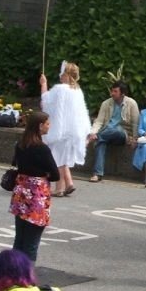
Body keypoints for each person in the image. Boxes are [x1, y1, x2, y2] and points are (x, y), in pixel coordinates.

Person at [9, 112, 59, 262]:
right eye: (47, 123)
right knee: (32, 242)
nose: (49, 126)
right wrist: (44, 173)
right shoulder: (42, 148)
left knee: (20, 239)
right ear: (40, 126)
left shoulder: (21, 144)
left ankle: (14, 274)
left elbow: (16, 164)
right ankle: (26, 279)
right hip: (36, 197)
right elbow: (55, 174)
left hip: (21, 194)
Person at [40, 63, 91, 196]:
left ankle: (64, 186)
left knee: (57, 159)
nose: (60, 76)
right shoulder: (77, 90)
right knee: (63, 159)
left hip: (60, 131)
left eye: (62, 74)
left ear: (66, 75)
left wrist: (43, 84)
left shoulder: (60, 89)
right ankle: (64, 186)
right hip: (73, 132)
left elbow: (45, 102)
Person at [86, 80, 139, 183]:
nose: (112, 93)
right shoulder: (106, 103)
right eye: (112, 91)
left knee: (115, 130)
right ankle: (97, 174)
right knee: (100, 142)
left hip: (122, 133)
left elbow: (135, 123)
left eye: (115, 91)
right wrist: (93, 132)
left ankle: (94, 138)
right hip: (106, 133)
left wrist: (135, 138)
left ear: (122, 94)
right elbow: (99, 121)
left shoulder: (131, 103)